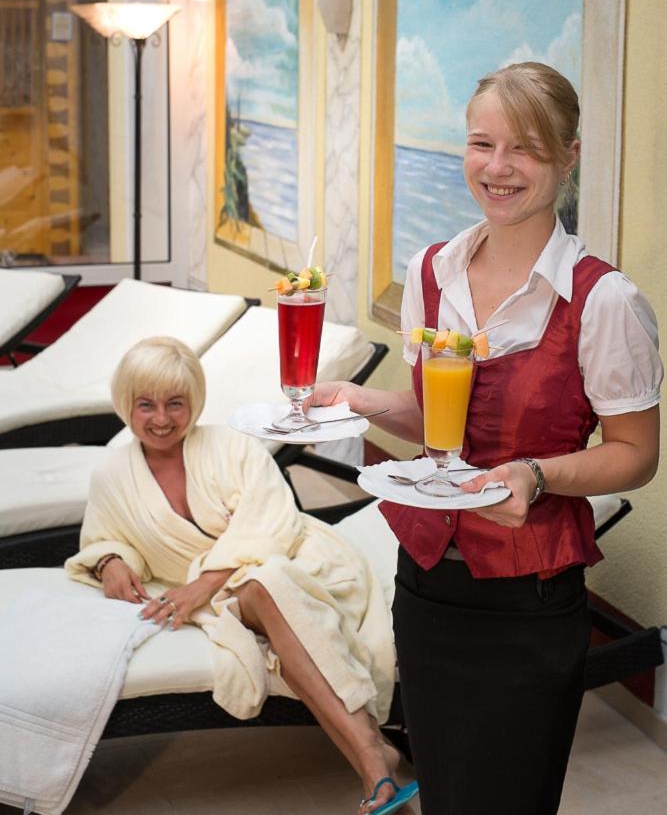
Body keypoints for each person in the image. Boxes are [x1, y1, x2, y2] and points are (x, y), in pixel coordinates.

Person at [312, 62, 662, 814]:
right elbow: (433, 418)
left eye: (525, 148)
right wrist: (363, 401)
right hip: (425, 586)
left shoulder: (603, 299)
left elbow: (637, 455)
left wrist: (536, 474)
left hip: (527, 601)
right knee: (446, 794)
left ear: (568, 156)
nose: (497, 167)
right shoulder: (430, 270)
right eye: (482, 144)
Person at [65, 336, 418, 815]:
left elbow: (272, 523)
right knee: (265, 589)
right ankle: (375, 754)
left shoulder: (231, 447)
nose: (162, 419)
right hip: (233, 596)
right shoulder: (112, 475)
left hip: (300, 562)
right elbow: (102, 537)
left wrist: (201, 585)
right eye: (146, 405)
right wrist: (111, 561)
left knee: (268, 582)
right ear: (125, 404)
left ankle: (372, 762)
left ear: (195, 401)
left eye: (175, 403)